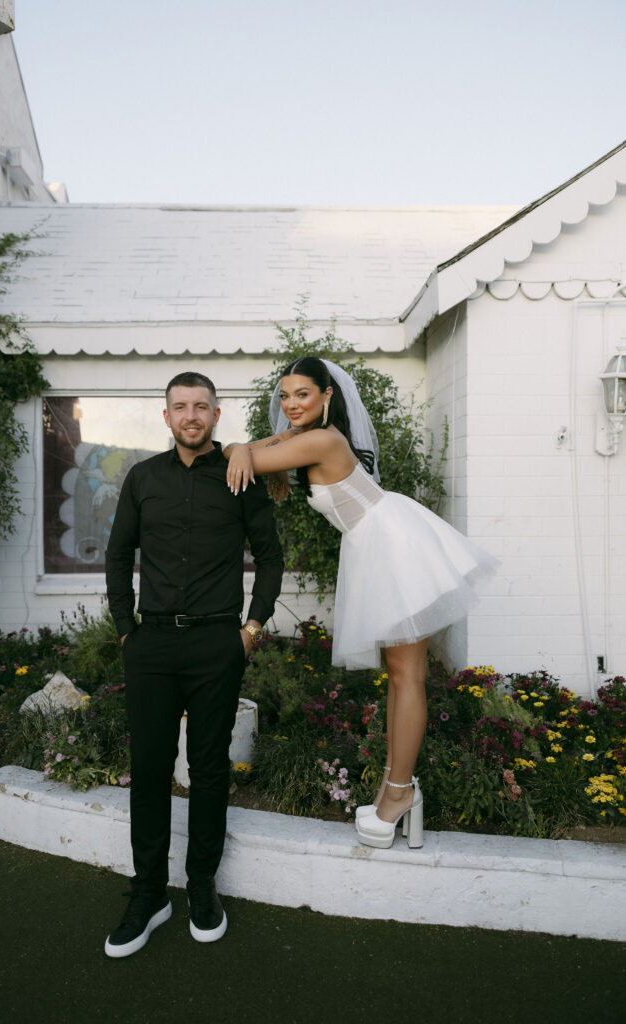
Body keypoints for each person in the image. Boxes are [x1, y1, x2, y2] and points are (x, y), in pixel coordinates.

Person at [223, 356, 497, 852]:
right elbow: (251, 449)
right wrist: (246, 445)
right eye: (284, 396)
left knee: (408, 676)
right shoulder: (304, 436)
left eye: (302, 394)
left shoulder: (324, 440)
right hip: (379, 544)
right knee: (398, 676)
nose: (290, 405)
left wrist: (243, 447)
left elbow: (240, 456)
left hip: (393, 546)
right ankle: (395, 789)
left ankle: (399, 796)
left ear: (328, 395)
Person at [104, 371, 283, 956]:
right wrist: (126, 629)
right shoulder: (142, 477)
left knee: (209, 769)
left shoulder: (239, 476)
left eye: (200, 406)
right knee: (151, 769)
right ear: (166, 416)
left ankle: (202, 886)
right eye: (180, 407)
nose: (190, 416)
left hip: (216, 647)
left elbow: (272, 554)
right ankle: (149, 893)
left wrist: (251, 628)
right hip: (151, 646)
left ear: (215, 414)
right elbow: (118, 553)